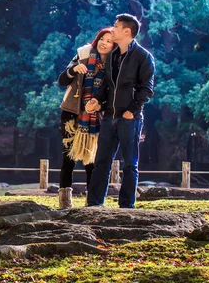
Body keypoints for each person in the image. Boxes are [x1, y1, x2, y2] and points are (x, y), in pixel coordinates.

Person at [85, 13, 155, 209]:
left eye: (115, 26)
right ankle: (94, 203)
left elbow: (146, 89)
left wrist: (131, 111)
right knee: (101, 162)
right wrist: (97, 100)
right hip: (108, 117)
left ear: (127, 31)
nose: (112, 29)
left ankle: (126, 206)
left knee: (129, 164)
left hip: (129, 118)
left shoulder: (143, 57)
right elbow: (106, 85)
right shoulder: (113, 56)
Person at [57, 28, 115, 209]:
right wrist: (74, 70)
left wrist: (100, 106)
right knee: (68, 159)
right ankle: (65, 203)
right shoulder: (83, 55)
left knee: (92, 161)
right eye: (102, 39)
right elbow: (62, 80)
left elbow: (113, 95)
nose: (103, 43)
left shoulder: (115, 65)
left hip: (96, 117)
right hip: (71, 114)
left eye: (109, 41)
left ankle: (92, 202)